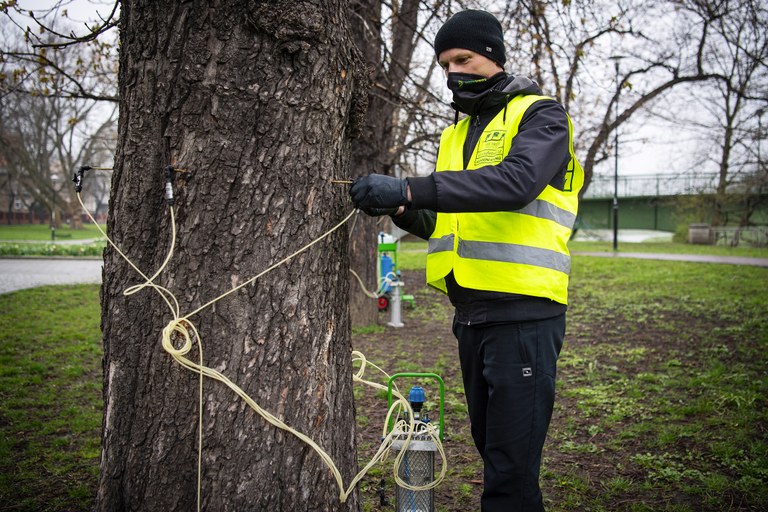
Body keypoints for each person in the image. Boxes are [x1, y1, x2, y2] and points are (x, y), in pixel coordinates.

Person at [350, 9, 584, 512]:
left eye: (465, 58)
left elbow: (516, 183)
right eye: (445, 64)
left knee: (511, 470)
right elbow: (450, 223)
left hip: (524, 314)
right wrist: (403, 208)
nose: (454, 71)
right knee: (491, 448)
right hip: (471, 316)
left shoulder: (541, 114)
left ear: (493, 57)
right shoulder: (454, 135)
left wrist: (412, 187)